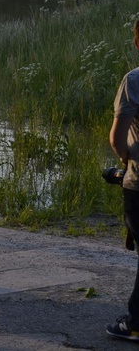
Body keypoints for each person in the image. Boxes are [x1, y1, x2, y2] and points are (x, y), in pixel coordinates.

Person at [107, 19, 139, 341]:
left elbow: (117, 138)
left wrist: (124, 159)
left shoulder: (134, 80)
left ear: (137, 44)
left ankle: (136, 323)